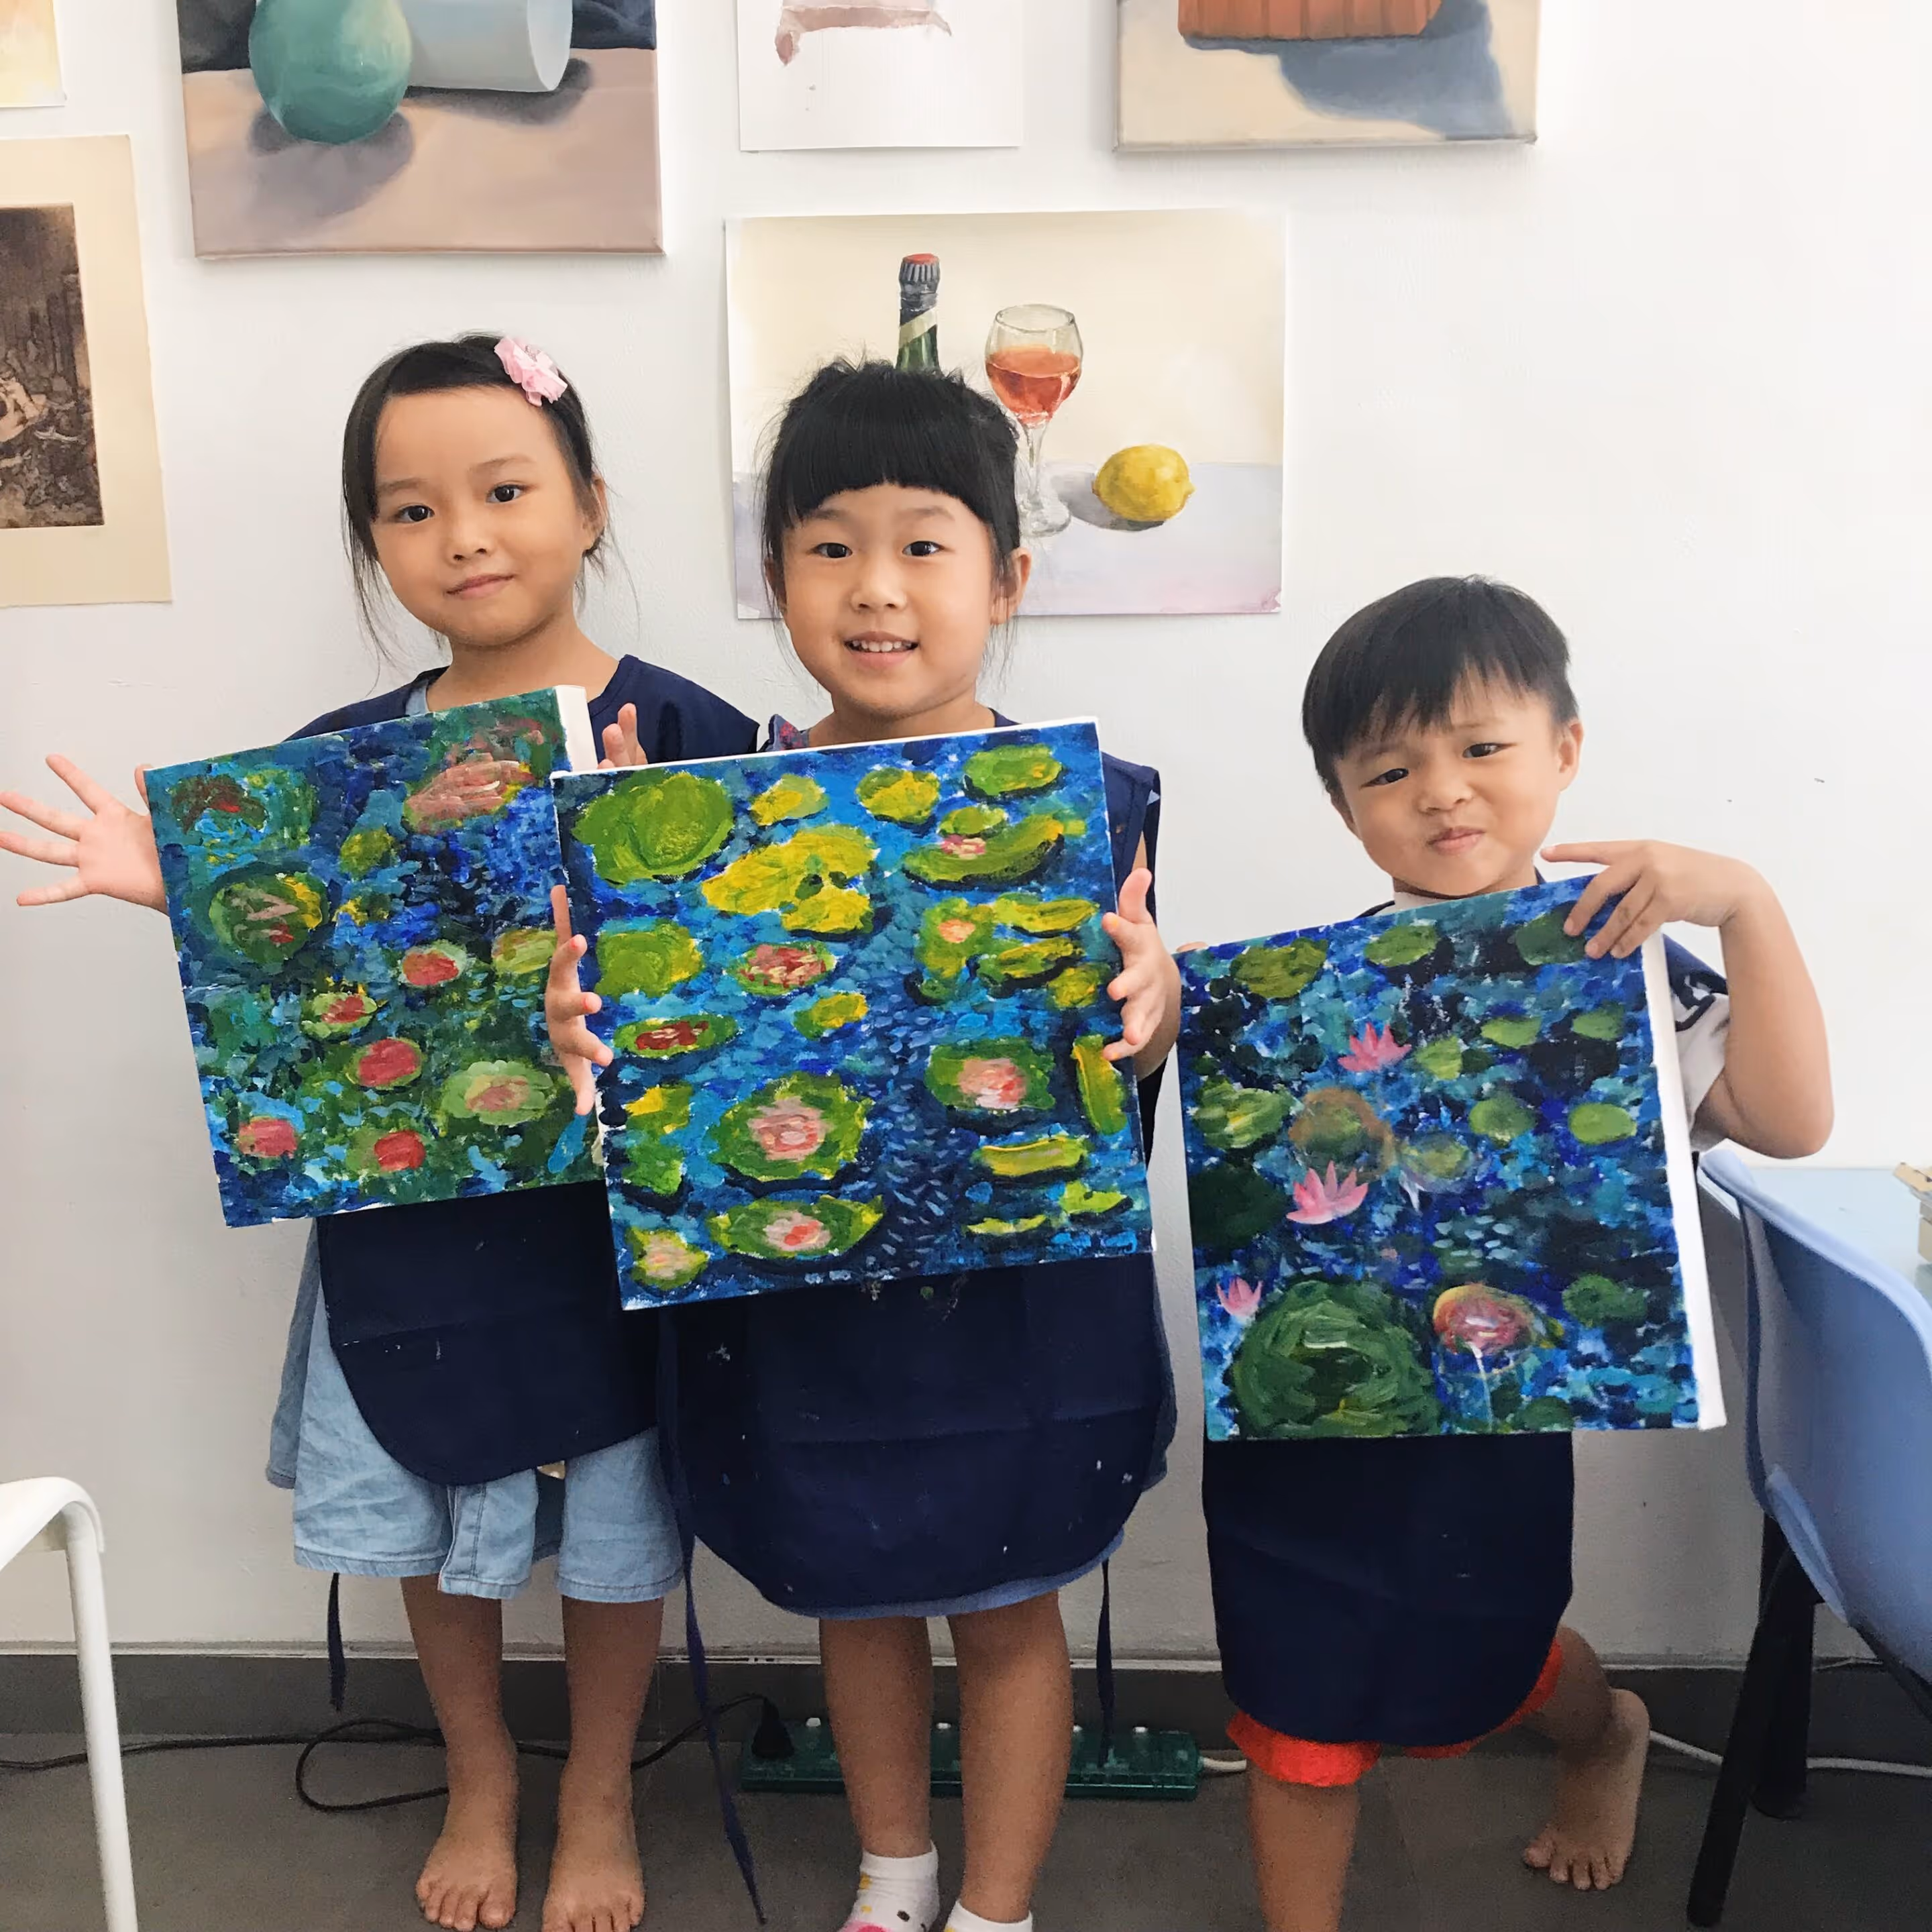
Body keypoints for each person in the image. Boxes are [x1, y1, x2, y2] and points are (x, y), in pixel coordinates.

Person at [0, 335, 757, 1932]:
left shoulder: (693, 729)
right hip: (410, 1229)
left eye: (504, 490)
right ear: (375, 547)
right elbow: (303, 987)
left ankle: (603, 1787)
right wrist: (187, 891)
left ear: (591, 504)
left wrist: (650, 868)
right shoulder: (338, 758)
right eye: (410, 511)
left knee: (619, 1523)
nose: (464, 535)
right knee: (427, 1488)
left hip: (613, 1233)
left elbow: (754, 1008)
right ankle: (480, 1773)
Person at [548, 360, 1182, 1932]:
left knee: (1013, 1597)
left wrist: (1154, 1011)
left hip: (1017, 1312)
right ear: (775, 581)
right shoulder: (708, 811)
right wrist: (595, 1033)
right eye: (829, 546)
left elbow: (1121, 1075)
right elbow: (656, 1080)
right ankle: (894, 1878)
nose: (877, 589)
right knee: (857, 1586)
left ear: (1007, 579)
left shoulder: (1087, 804)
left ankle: (998, 1908)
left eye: (925, 545)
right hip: (805, 1300)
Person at [1205, 576, 1833, 1932]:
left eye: (1482, 748)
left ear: (1566, 750)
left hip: (1491, 1414)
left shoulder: (1624, 971)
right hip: (1303, 1418)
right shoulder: (1294, 994)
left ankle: (1604, 1733)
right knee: (1295, 1691)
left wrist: (1745, 905)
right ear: (1342, 802)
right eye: (1391, 767)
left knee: (1486, 1648)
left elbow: (1787, 1119)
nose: (1443, 792)